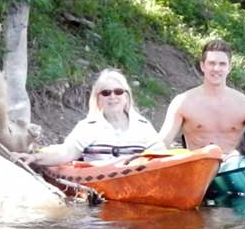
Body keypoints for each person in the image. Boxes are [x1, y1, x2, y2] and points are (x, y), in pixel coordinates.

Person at [19, 69, 165, 166]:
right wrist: (35, 158)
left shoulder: (142, 125)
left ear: (126, 97)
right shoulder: (88, 127)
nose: (112, 96)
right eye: (106, 93)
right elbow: (66, 153)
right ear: (98, 99)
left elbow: (161, 156)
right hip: (100, 185)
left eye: (118, 92)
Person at [159, 39, 245, 153]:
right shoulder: (182, 103)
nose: (216, 69)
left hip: (233, 162)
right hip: (198, 162)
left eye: (222, 64)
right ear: (202, 66)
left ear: (229, 68)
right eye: (212, 63)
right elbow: (162, 143)